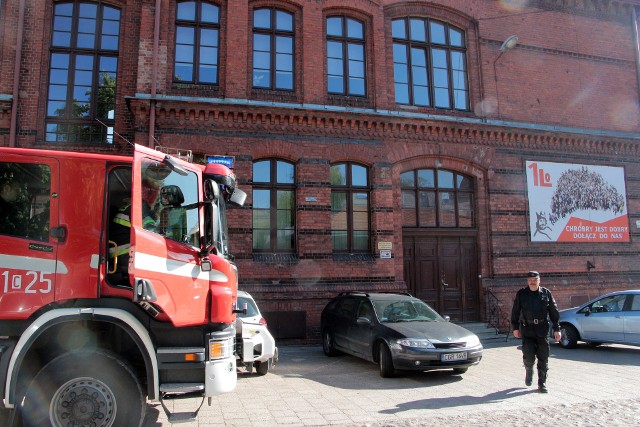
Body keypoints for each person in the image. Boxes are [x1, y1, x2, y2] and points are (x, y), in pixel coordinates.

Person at [511, 271, 561, 393]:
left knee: (543, 356)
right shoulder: (522, 294)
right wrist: (515, 327)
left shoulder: (546, 293)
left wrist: (557, 328)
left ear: (539, 280)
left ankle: (542, 383)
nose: (532, 282)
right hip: (527, 329)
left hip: (542, 329)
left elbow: (554, 311)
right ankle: (529, 370)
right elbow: (515, 311)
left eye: (534, 280)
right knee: (528, 355)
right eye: (530, 280)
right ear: (527, 281)